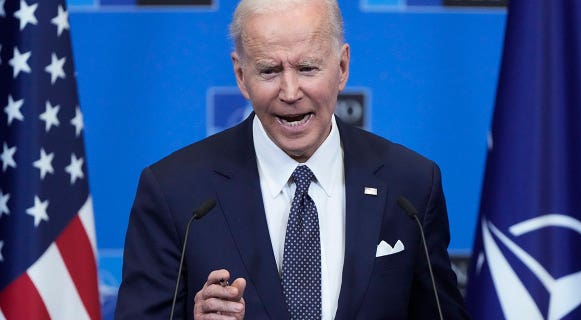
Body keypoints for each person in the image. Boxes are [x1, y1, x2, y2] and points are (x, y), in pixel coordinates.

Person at [115, 0, 469, 319]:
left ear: (342, 67)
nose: (290, 92)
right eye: (269, 71)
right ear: (241, 76)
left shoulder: (410, 184)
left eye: (308, 68)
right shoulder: (176, 192)